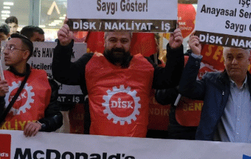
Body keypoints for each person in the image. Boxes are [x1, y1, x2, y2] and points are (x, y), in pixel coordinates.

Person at [52, 23, 184, 137]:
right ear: (105, 41)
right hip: (98, 146)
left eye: (124, 41)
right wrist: (64, 46)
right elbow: (63, 75)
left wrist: (175, 50)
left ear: (130, 42)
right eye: (113, 40)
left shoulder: (144, 65)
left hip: (134, 147)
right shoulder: (90, 62)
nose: (118, 45)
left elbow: (171, 79)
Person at [0, 33, 63, 136]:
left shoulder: (45, 82)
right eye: (5, 48)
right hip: (3, 143)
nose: (6, 52)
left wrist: (41, 125)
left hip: (33, 144)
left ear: (25, 54)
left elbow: (56, 117)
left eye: (11, 48)